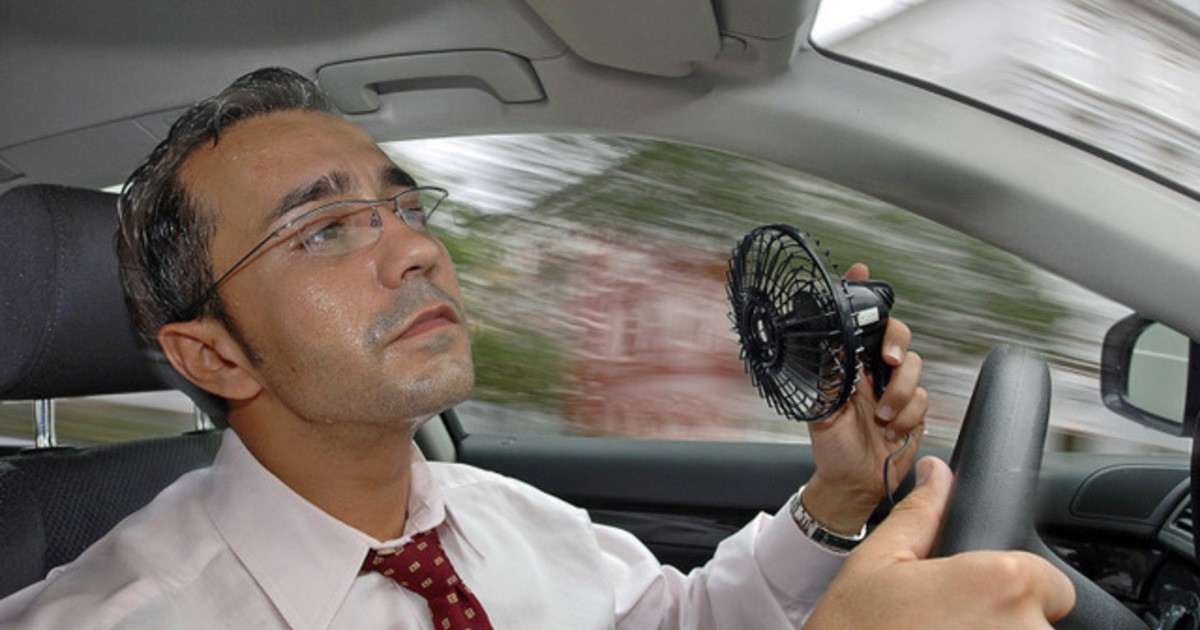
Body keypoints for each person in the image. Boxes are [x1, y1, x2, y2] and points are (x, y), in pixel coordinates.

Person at [0, 67, 1073, 629]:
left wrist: (838, 495)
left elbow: (682, 621)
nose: (417, 250)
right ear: (214, 357)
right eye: (323, 229)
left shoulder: (502, 517)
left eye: (402, 207)